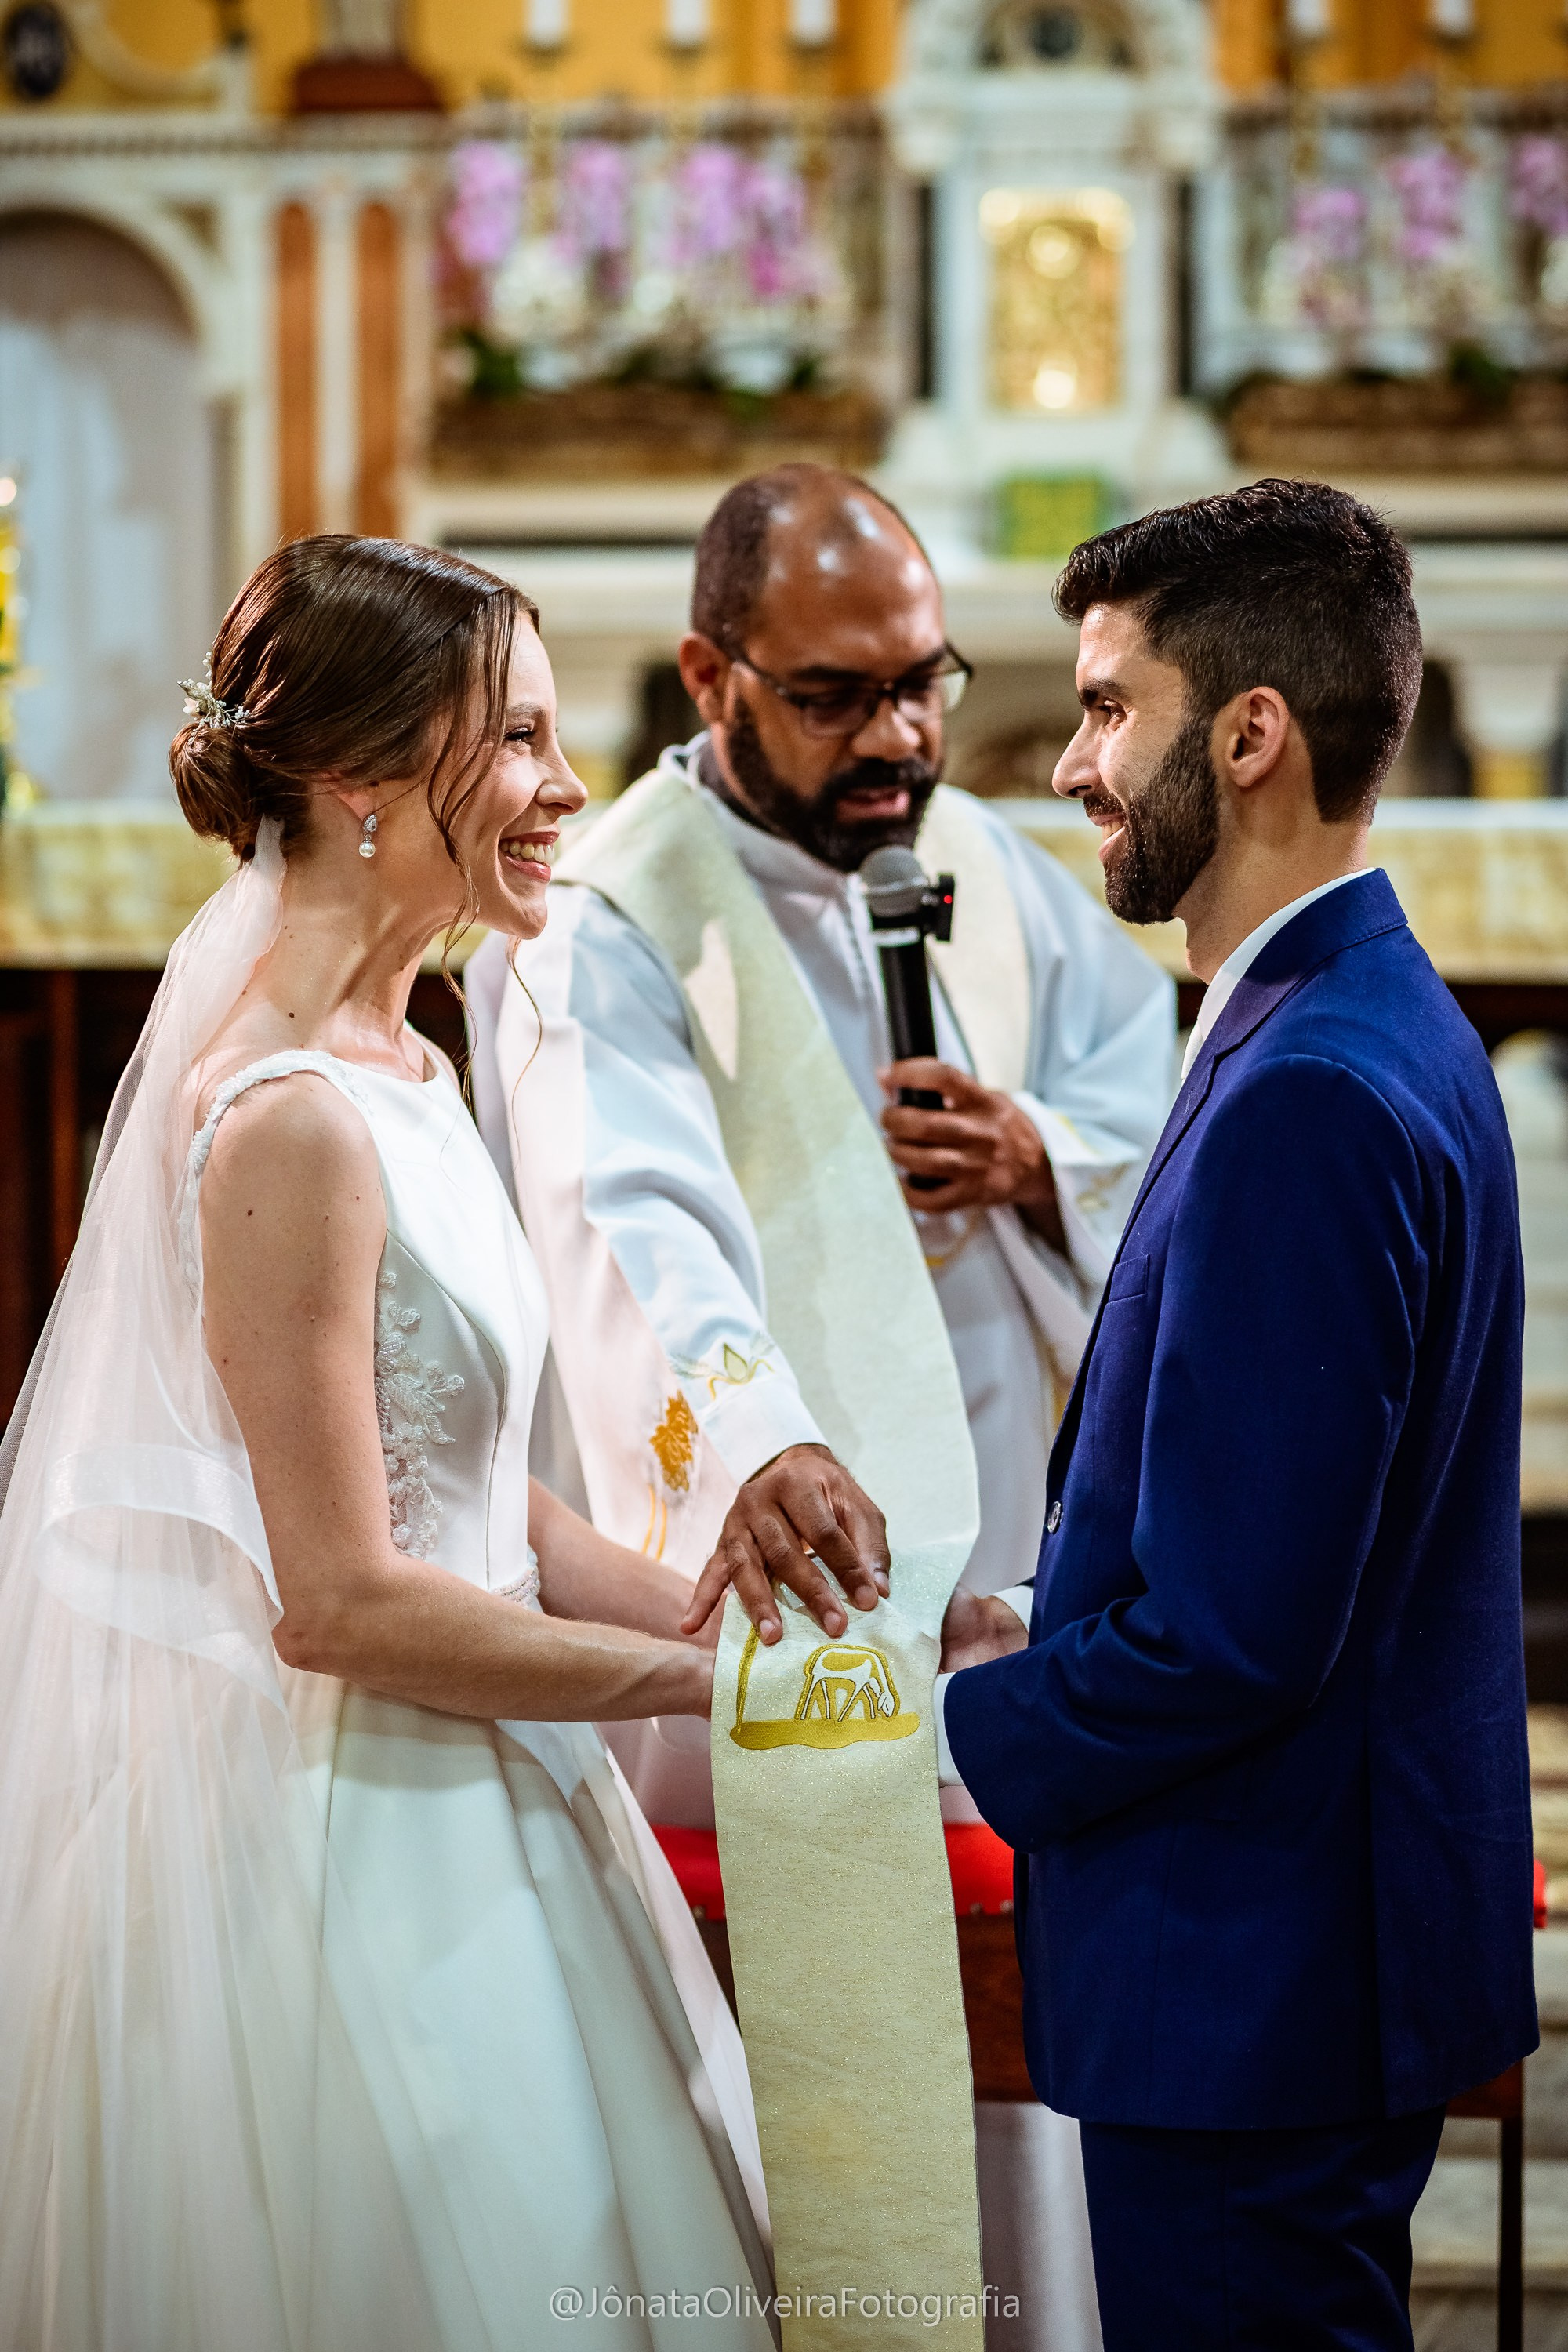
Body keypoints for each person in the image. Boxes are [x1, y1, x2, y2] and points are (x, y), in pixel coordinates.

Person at [0, 535, 773, 2349]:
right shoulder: (286, 1124)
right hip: (367, 1836)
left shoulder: (411, 1064)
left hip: (503, 1775)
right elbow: (339, 1602)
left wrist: (714, 1621)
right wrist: (697, 1693)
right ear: (352, 785)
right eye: (511, 739)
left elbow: (487, 1493)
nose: (565, 785)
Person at [466, 462, 1172, 2350]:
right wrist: (755, 1430)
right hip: (754, 1578)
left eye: (923, 681)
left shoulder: (1006, 890)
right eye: (837, 693)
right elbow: (630, 1215)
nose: (903, 734)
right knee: (797, 2071)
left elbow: (1153, 1124)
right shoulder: (608, 915)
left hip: (992, 1557)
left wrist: (1040, 1163)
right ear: (711, 672)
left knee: (1011, 2109)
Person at [925, 480, 1538, 2349]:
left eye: (1110, 709)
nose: (1075, 769)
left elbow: (1242, 1633)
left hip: (1253, 1974)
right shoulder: (1354, 1016)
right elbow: (1293, 1532)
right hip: (1296, 1945)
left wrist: (971, 1715)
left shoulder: (1310, 1091)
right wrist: (1047, 1613)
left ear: (1249, 733)